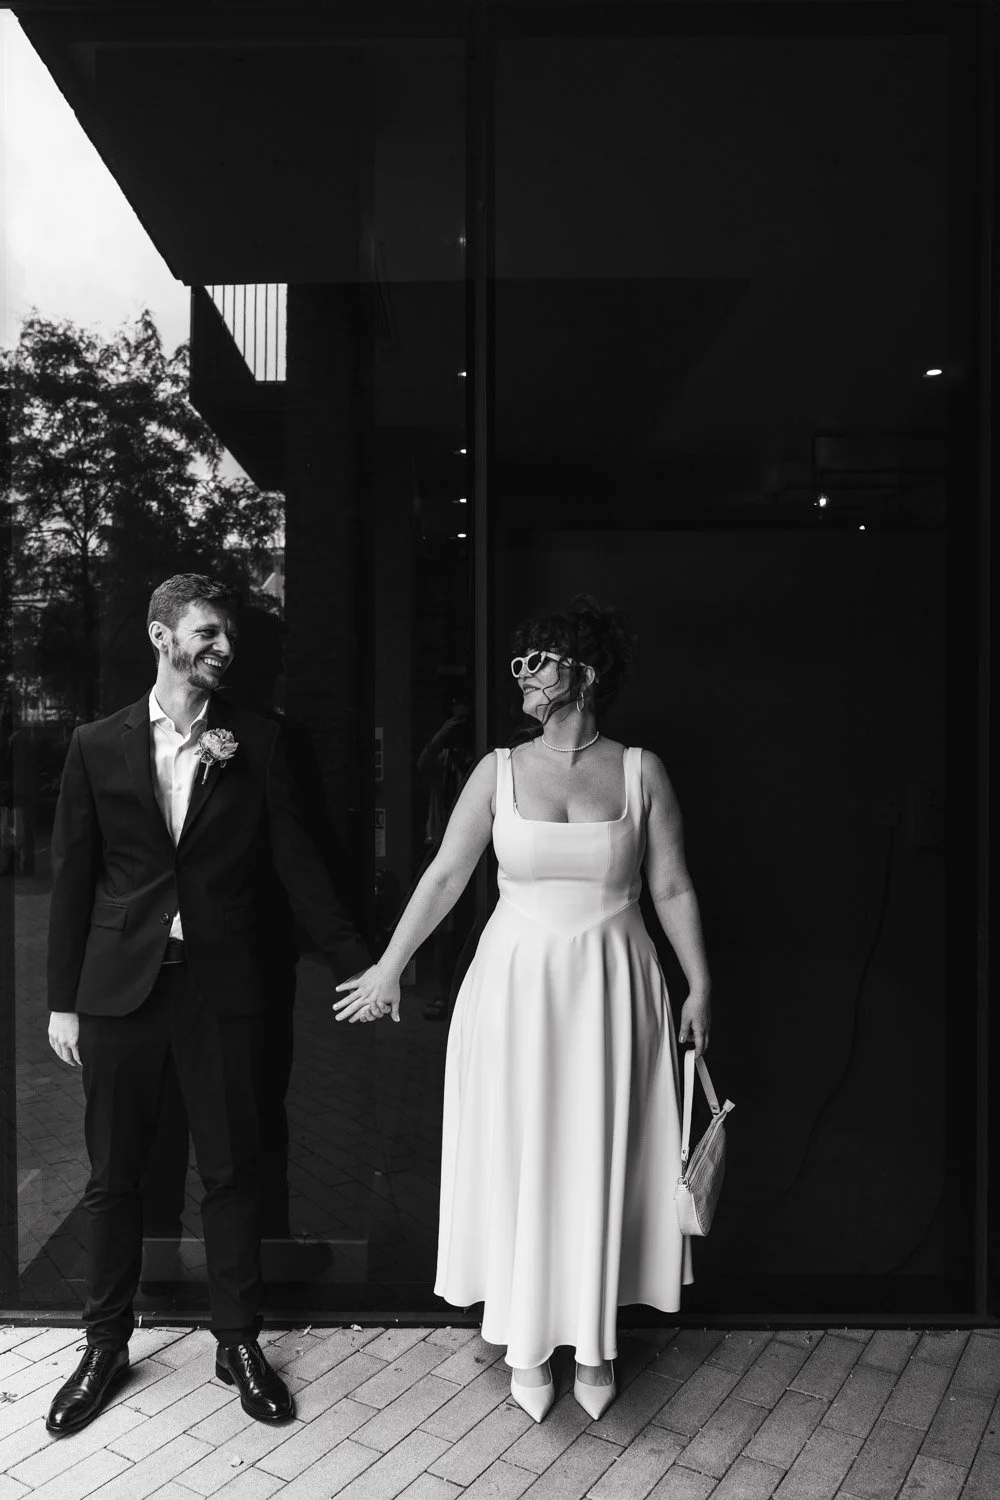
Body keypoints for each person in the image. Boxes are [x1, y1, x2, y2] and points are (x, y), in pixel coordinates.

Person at [335, 595, 712, 1423]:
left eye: (537, 659)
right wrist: (390, 967)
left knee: (601, 1150)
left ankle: (597, 1336)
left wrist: (701, 983)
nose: (522, 675)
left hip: (614, 985)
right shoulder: (496, 770)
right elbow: (443, 875)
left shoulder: (642, 769)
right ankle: (528, 1336)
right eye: (521, 660)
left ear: (581, 669)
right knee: (526, 1151)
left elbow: (672, 884)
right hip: (514, 989)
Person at [44, 574, 371, 1438]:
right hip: (119, 990)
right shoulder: (95, 743)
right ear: (161, 635)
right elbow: (73, 879)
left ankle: (239, 1343)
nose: (225, 648)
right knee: (114, 1178)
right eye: (208, 632)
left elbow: (301, 868)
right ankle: (104, 1344)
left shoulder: (256, 742)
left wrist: (363, 966)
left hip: (225, 989)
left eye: (230, 635)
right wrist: (62, 1002)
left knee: (234, 1173)